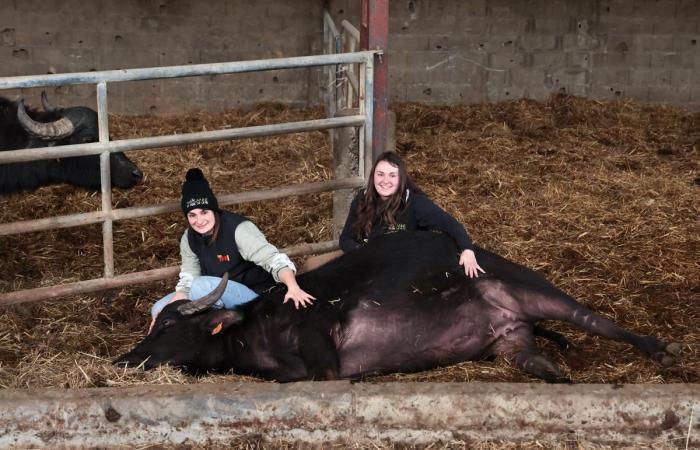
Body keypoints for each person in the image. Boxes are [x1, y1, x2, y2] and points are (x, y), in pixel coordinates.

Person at [150, 168, 315, 330]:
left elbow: (273, 259)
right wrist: (180, 296)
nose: (199, 220)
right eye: (192, 215)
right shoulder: (188, 238)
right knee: (159, 309)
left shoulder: (238, 229)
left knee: (200, 286)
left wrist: (293, 287)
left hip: (255, 296)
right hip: (214, 294)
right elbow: (189, 276)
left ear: (213, 210)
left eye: (204, 212)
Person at [335, 151, 483, 278]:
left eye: (392, 175)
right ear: (373, 177)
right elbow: (346, 238)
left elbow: (451, 224)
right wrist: (361, 252)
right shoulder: (362, 199)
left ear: (401, 179)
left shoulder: (416, 203)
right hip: (367, 260)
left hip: (401, 265)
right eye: (380, 174)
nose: (385, 181)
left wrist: (467, 249)